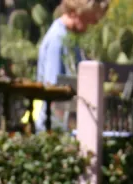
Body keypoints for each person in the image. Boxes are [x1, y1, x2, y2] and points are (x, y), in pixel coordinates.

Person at [34, 0, 107, 132]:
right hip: (54, 129)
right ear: (74, 12)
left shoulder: (69, 38)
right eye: (86, 20)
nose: (88, 27)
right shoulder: (57, 40)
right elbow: (54, 91)